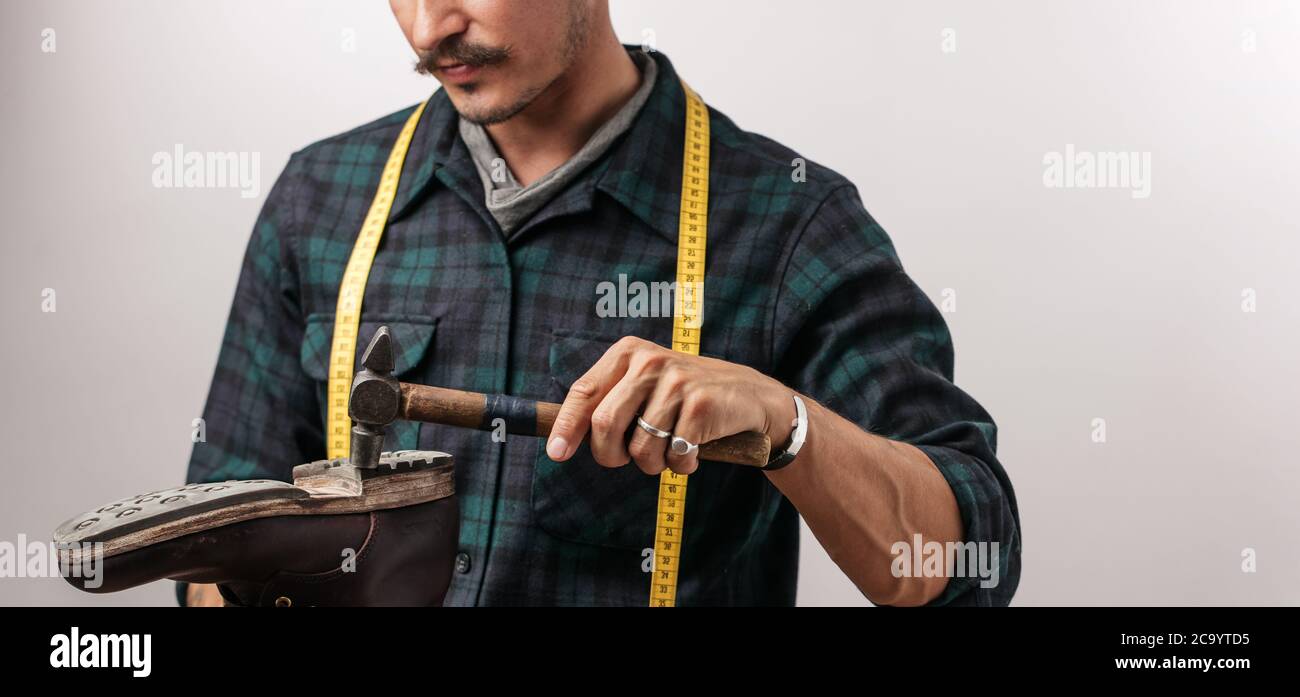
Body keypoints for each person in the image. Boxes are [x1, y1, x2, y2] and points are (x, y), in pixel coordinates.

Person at [184, 0, 1020, 607]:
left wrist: (787, 423)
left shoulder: (787, 222)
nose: (428, 27)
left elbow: (970, 556)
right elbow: (211, 539)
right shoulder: (320, 198)